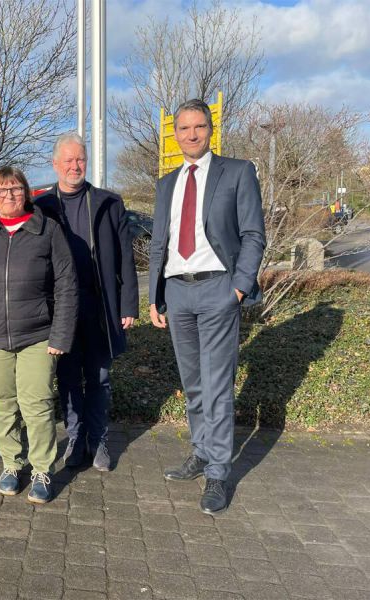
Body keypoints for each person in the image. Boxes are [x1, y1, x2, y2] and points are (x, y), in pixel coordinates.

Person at [148, 99, 265, 514]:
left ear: (210, 129)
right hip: (177, 292)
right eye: (184, 128)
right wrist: (155, 295)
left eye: (198, 126)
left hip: (218, 289)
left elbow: (253, 234)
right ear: (175, 133)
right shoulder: (166, 184)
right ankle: (201, 451)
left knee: (217, 385)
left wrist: (239, 288)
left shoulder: (237, 172)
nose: (191, 134)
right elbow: (159, 242)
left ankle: (218, 471)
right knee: (193, 381)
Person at [0, 166, 78, 503]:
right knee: (1, 404)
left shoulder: (47, 230)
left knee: (36, 404)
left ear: (26, 193)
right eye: (1, 190)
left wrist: (60, 335)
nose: (8, 195)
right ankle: (12, 463)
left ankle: (42, 469)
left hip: (37, 336)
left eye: (15, 189)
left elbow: (66, 285)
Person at [35, 132, 139, 472]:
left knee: (99, 378)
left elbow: (125, 258)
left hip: (100, 306)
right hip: (61, 310)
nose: (75, 166)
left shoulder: (108, 203)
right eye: (68, 160)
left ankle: (98, 438)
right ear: (55, 164)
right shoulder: (41, 208)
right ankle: (75, 438)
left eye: (80, 159)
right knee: (67, 379)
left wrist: (128, 304)